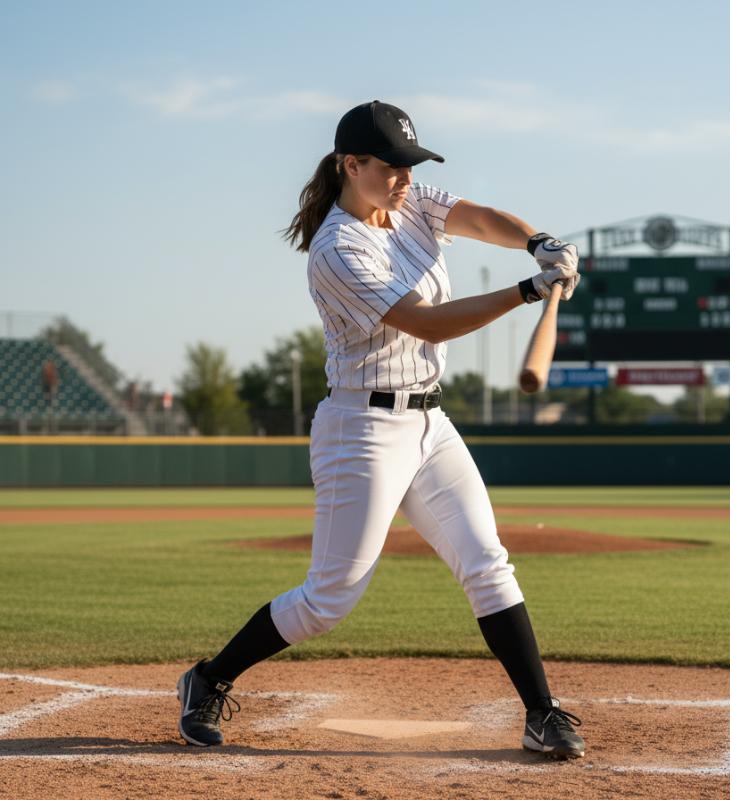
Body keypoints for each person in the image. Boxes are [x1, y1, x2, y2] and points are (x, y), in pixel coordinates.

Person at [177, 100, 584, 759]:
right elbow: (426, 322)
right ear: (351, 165)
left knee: (486, 562)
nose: (403, 177)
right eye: (390, 168)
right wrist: (529, 292)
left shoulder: (411, 200)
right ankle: (208, 678)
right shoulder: (336, 251)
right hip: (360, 429)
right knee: (329, 599)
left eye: (408, 166)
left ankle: (543, 712)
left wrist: (537, 241)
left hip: (431, 421)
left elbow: (477, 217)